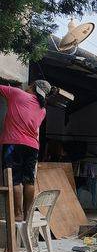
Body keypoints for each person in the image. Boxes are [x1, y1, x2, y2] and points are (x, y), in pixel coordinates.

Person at [0, 80, 51, 219]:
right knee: (29, 181)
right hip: (32, 146)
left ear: (33, 87)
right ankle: (28, 214)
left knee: (14, 179)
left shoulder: (16, 93)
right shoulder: (43, 110)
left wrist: (11, 89)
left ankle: (17, 214)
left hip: (13, 143)